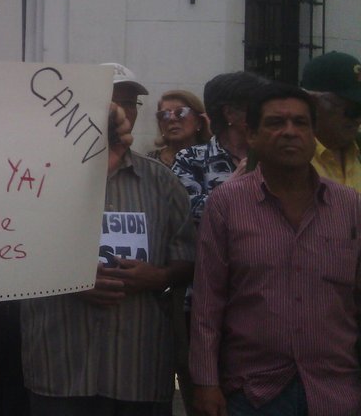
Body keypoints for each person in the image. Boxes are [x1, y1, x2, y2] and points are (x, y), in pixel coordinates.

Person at [20, 69, 195, 416]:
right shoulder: (39, 175)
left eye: (130, 102)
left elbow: (187, 257)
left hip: (138, 369)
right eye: (111, 99)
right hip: (61, 364)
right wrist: (71, 281)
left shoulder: (161, 181)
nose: (121, 109)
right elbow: (13, 252)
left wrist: (158, 277)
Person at [189, 81, 361, 416]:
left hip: (334, 390)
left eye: (300, 123)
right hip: (253, 393)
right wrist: (206, 383)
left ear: (314, 135)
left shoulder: (349, 206)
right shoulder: (227, 203)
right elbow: (207, 303)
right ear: (251, 135)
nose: (289, 132)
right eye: (275, 123)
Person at [172, 71, 266, 223]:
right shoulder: (191, 159)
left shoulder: (270, 155)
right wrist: (233, 185)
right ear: (229, 113)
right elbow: (184, 210)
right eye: (256, 107)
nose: (263, 113)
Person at [300, 51, 361, 192]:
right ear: (313, 102)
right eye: (352, 110)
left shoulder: (358, 150)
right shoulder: (287, 159)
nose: (358, 118)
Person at [147, 90, 211, 169]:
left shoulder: (214, 159)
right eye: (164, 114)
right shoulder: (149, 162)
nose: (172, 118)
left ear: (199, 121)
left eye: (181, 112)